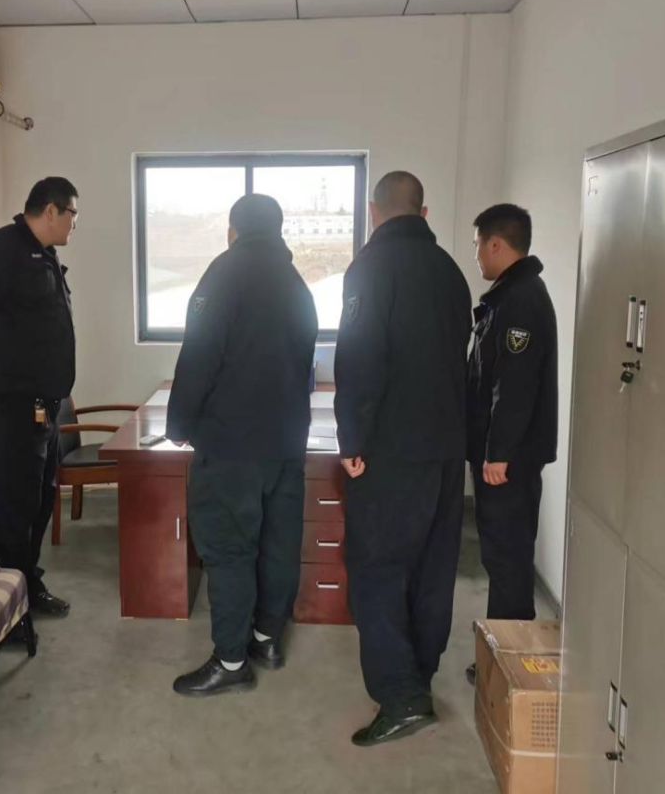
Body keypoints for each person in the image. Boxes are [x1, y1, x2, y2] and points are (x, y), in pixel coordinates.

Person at [334, 171, 472, 746]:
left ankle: (400, 695)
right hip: (447, 451)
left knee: (377, 566)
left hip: (392, 452)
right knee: (432, 568)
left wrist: (352, 439)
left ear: (373, 211)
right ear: (424, 211)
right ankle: (420, 673)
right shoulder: (451, 271)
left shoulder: (371, 268)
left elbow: (359, 360)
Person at [167, 194, 319, 697]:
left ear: (233, 230)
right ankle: (266, 639)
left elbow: (198, 357)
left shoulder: (224, 274)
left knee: (230, 549)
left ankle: (231, 662)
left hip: (231, 444)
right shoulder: (297, 285)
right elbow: (305, 366)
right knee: (278, 542)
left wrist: (178, 423)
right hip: (286, 442)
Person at [0, 177, 78, 618]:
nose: (74, 223)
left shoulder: (43, 253)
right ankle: (6, 603)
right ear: (50, 210)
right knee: (13, 503)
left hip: (43, 404)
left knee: (39, 499)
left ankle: (25, 582)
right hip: (10, 403)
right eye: (73, 214)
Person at [465, 203, 558, 684]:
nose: (477, 255)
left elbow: (515, 386)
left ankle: (508, 664)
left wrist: (497, 453)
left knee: (508, 559)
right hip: (505, 456)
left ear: (496, 244)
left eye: (478, 245)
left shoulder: (520, 300)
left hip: (509, 461)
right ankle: (504, 655)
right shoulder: (511, 295)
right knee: (504, 557)